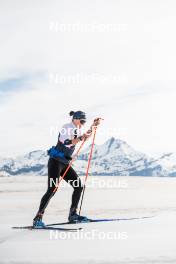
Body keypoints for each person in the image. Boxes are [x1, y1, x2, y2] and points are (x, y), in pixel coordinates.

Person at [33, 110, 100, 228]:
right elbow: (67, 142)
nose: (83, 123)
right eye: (82, 121)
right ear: (75, 118)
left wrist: (93, 126)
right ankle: (38, 218)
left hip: (65, 164)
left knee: (79, 186)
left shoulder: (77, 129)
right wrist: (80, 138)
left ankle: (73, 214)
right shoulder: (67, 127)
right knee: (52, 189)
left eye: (84, 122)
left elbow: (84, 137)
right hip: (55, 162)